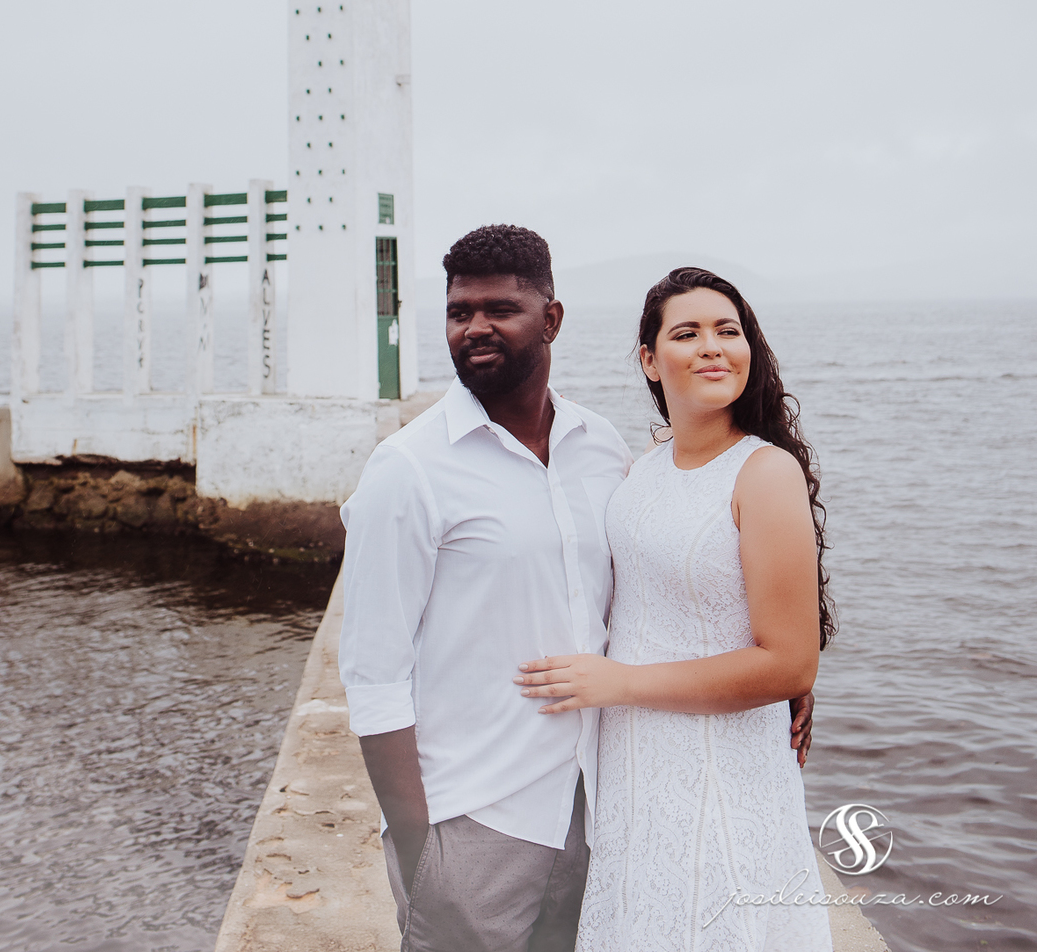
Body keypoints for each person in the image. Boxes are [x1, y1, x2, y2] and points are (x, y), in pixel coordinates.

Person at [339, 231, 815, 952]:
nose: (476, 328)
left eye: (500, 308)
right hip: (474, 814)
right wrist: (418, 847)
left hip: (597, 802)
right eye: (459, 312)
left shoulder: (603, 450)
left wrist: (783, 671)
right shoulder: (406, 470)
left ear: (551, 320)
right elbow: (373, 676)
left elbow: (661, 584)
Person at [517, 267, 835, 951]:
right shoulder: (644, 468)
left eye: (729, 331)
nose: (713, 347)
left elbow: (788, 661)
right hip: (636, 766)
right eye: (687, 333)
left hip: (720, 767)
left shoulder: (764, 471)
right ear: (650, 361)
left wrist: (619, 683)